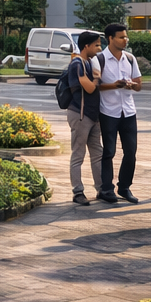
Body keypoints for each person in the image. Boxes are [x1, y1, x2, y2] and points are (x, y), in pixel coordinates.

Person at [95, 23, 143, 205]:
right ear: (110, 39)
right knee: (109, 151)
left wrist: (131, 85)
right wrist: (115, 85)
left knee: (130, 151)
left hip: (128, 111)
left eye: (126, 36)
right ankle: (107, 189)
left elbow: (139, 85)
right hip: (108, 111)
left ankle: (125, 187)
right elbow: (95, 86)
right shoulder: (100, 59)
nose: (125, 40)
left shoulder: (129, 59)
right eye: (121, 37)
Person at [65, 31, 105, 206]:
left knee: (97, 154)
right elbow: (89, 88)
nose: (99, 48)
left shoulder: (89, 62)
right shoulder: (77, 64)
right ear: (86, 46)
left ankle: (101, 188)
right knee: (78, 154)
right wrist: (97, 78)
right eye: (96, 45)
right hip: (80, 115)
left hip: (93, 115)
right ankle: (77, 191)